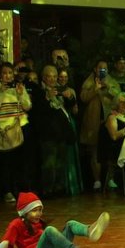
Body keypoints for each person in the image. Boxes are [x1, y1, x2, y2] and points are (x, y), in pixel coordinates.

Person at [3, 192, 108, 248]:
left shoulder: (38, 222)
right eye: (34, 210)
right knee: (49, 230)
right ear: (24, 212)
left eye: (40, 210)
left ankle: (89, 231)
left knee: (70, 224)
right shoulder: (16, 224)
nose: (39, 214)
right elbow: (6, 245)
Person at [0, 61, 33, 204]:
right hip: (3, 130)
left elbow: (28, 106)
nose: (7, 76)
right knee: (6, 163)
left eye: (10, 73)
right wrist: (1, 92)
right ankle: (7, 191)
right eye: (4, 73)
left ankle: (22, 190)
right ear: (0, 75)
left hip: (19, 127)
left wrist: (21, 94)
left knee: (21, 162)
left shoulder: (18, 86)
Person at [34, 65, 81, 198]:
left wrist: (69, 97)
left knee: (61, 163)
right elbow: (37, 110)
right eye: (50, 76)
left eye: (55, 76)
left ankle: (59, 188)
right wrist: (47, 97)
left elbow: (71, 106)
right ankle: (48, 190)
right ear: (44, 77)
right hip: (47, 135)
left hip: (61, 133)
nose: (53, 79)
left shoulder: (60, 89)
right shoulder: (39, 91)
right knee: (49, 164)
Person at [80, 60, 120, 192]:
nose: (102, 70)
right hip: (93, 121)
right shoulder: (88, 82)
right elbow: (83, 98)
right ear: (95, 69)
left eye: (105, 68)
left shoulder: (112, 81)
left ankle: (110, 179)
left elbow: (119, 97)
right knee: (95, 151)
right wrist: (95, 89)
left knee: (110, 150)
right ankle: (97, 180)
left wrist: (107, 86)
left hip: (109, 120)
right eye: (100, 68)